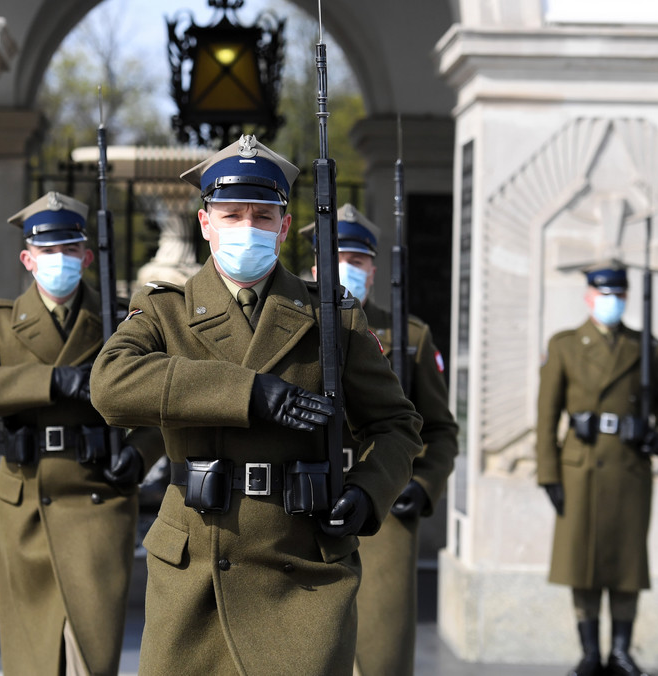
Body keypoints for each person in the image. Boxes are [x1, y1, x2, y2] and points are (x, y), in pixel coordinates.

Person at [90, 135, 423, 675]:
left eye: (262, 216)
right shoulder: (163, 311)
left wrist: (368, 492)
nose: (248, 228)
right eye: (232, 214)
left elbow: (397, 424)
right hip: (195, 566)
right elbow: (109, 385)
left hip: (301, 566)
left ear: (285, 227)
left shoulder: (332, 316)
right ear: (205, 223)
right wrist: (249, 393)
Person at [0, 192, 165, 676]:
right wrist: (48, 381)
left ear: (87, 256)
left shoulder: (119, 320)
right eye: (48, 251)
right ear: (28, 259)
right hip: (26, 500)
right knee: (34, 658)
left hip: (98, 495)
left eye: (69, 250)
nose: (59, 261)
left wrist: (140, 454)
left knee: (92, 653)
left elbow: (163, 401)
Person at [304, 204, 459, 676]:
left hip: (384, 506)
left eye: (357, 259)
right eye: (336, 258)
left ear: (373, 268)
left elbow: (439, 430)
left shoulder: (408, 336)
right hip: (313, 501)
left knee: (381, 653)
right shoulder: (291, 325)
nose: (347, 268)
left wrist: (422, 484)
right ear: (315, 266)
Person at [535, 261, 658, 676]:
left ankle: (620, 651)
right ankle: (588, 653)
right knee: (580, 561)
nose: (611, 302)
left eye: (618, 295)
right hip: (580, 467)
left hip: (628, 465)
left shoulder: (644, 347)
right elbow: (546, 415)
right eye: (604, 295)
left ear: (628, 298)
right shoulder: (565, 345)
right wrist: (548, 474)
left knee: (626, 563)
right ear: (588, 297)